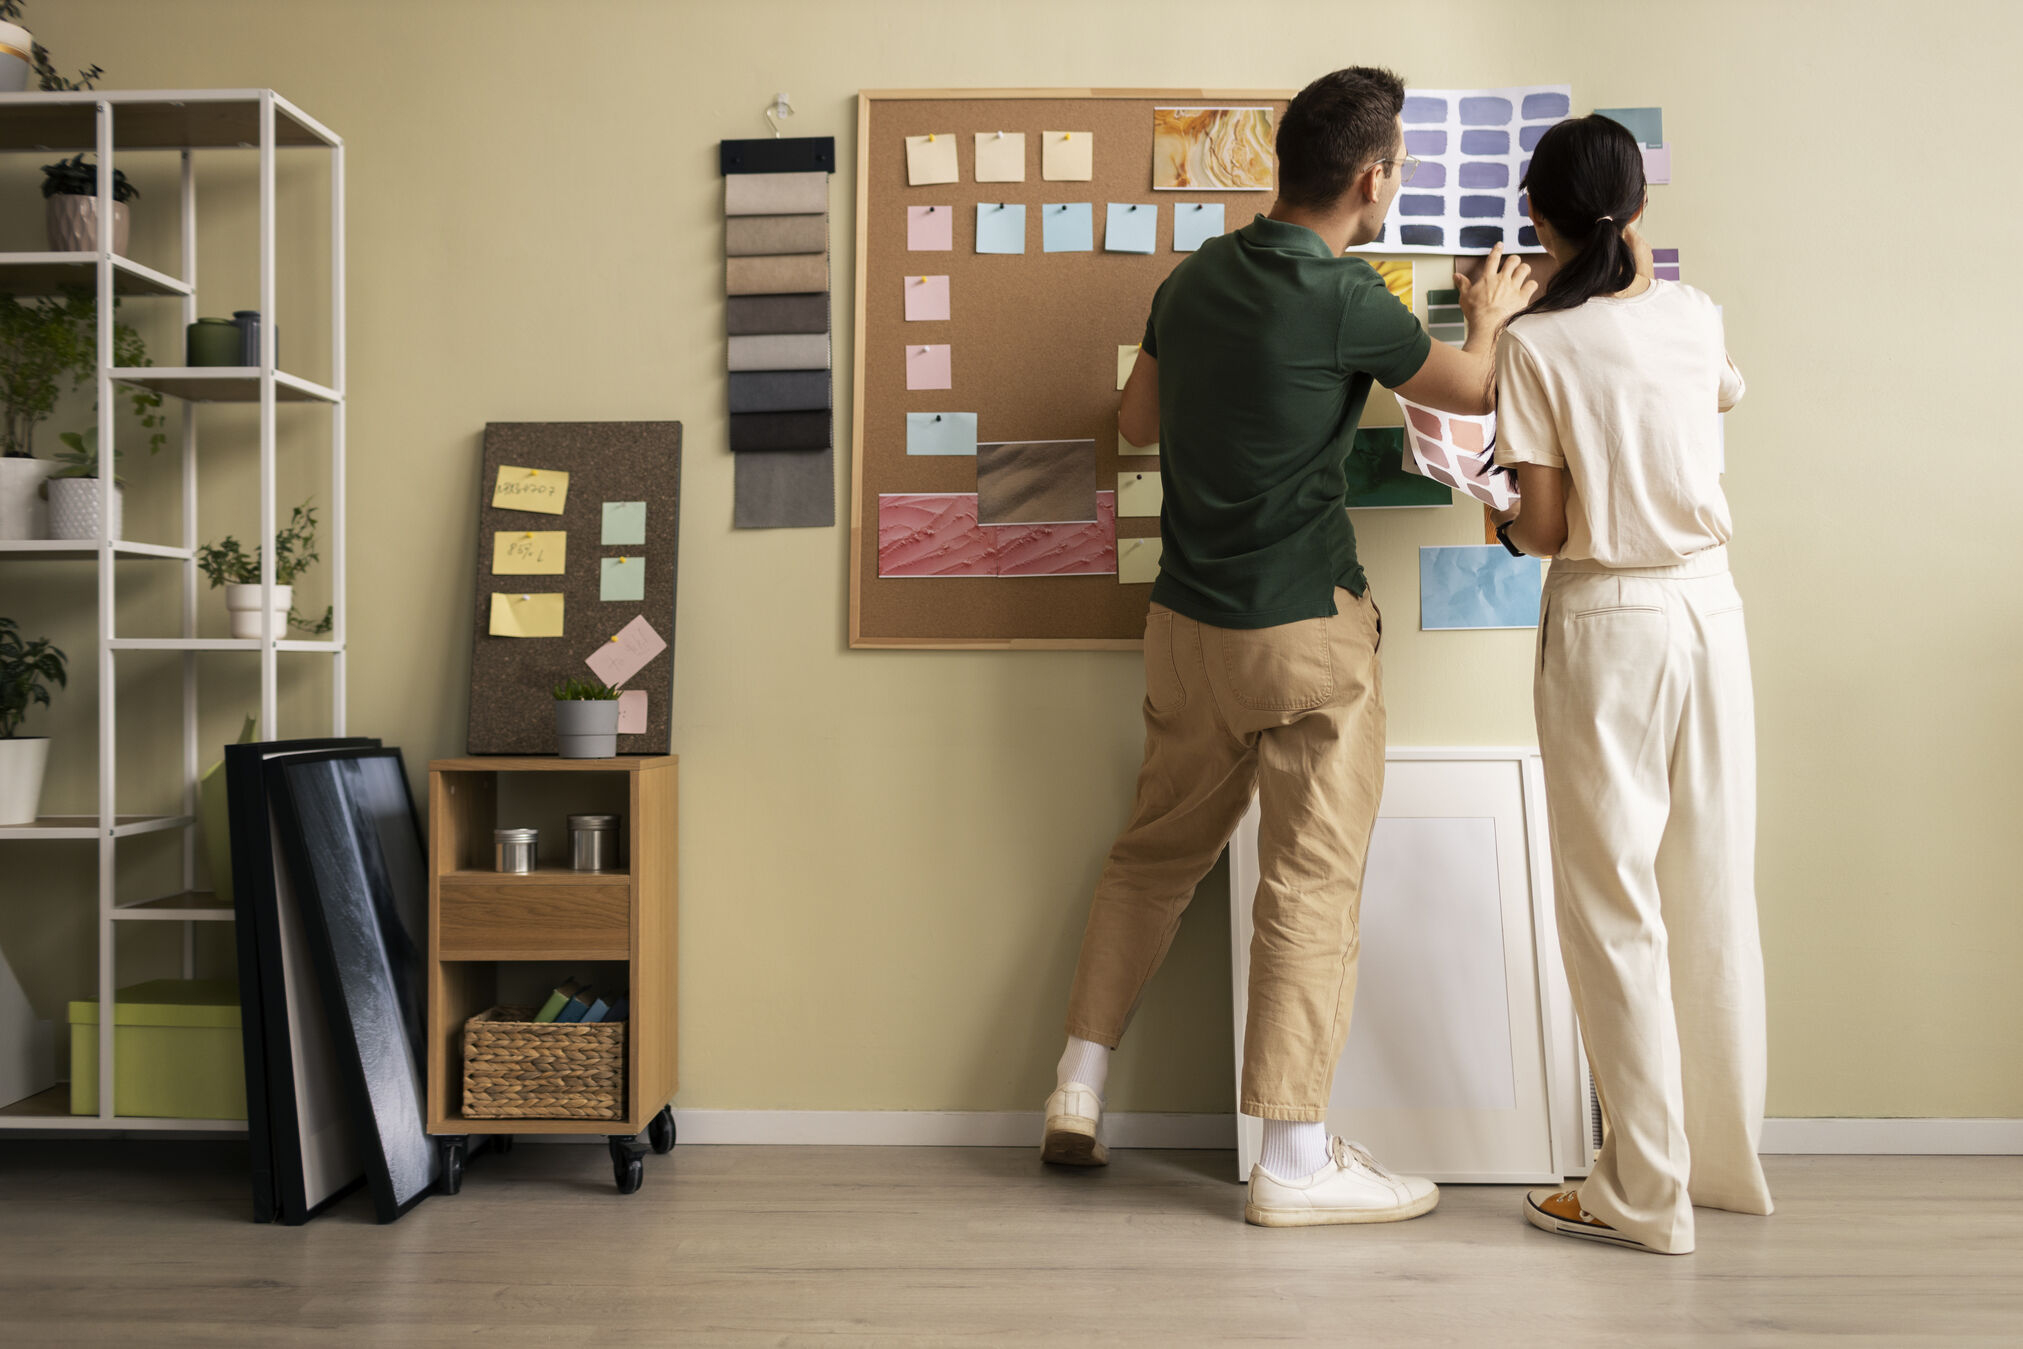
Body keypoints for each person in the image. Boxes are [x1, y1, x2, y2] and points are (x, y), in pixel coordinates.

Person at [1039, 66, 1536, 1227]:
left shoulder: (1195, 274)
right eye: (1397, 166)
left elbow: (1136, 424)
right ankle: (1295, 1160)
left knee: (1148, 859)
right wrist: (1491, 317)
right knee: (1309, 883)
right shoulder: (1347, 292)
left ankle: (1076, 1082)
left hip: (1184, 631)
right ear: (1371, 178)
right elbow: (1470, 392)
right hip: (1303, 634)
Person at [1491, 113, 1773, 1255]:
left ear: (1535, 222)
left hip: (1610, 618)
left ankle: (1638, 1191)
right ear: (1639, 211)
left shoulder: (1533, 344)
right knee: (1710, 888)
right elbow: (1714, 394)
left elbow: (1546, 528)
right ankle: (1717, 1168)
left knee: (1613, 907)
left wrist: (1494, 500)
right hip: (1712, 607)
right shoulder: (1692, 313)